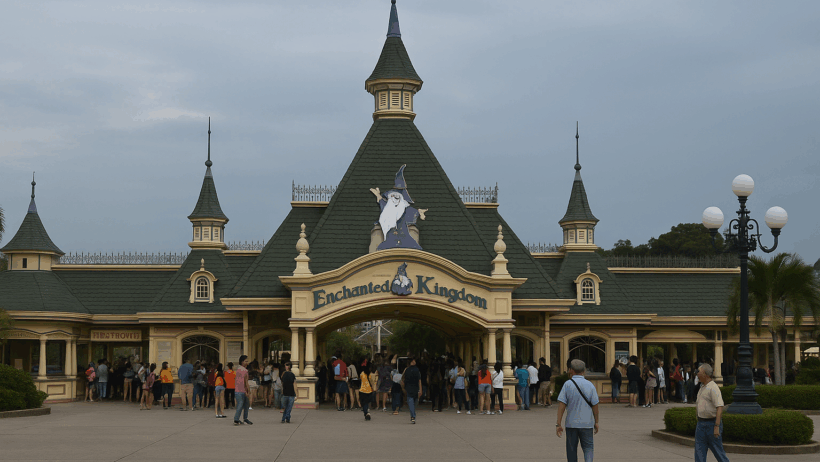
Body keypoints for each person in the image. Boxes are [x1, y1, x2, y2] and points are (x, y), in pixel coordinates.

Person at [556, 359, 600, 462]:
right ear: (584, 370)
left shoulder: (567, 385)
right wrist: (596, 422)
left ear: (571, 370)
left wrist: (558, 424)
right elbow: (595, 406)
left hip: (571, 424)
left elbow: (561, 406)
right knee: (588, 448)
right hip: (587, 424)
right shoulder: (590, 385)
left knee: (571, 451)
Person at [694, 364, 729, 462]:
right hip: (701, 424)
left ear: (705, 374)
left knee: (718, 452)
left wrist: (717, 426)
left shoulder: (713, 388)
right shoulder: (702, 387)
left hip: (711, 424)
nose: (697, 374)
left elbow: (719, 407)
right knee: (699, 453)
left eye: (699, 372)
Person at [401, 356, 422, 424]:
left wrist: (403, 387)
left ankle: (413, 415)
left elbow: (402, 379)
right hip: (414, 388)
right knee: (413, 402)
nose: (414, 362)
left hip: (409, 388)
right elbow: (419, 380)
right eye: (413, 361)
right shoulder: (416, 370)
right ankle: (413, 416)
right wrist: (420, 389)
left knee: (412, 402)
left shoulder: (407, 369)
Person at [233, 355, 253, 426]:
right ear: (242, 362)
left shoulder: (237, 369)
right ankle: (241, 418)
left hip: (237, 390)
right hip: (243, 390)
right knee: (244, 405)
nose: (247, 362)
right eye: (246, 361)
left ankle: (238, 419)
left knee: (240, 404)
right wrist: (248, 391)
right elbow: (246, 382)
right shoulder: (245, 370)